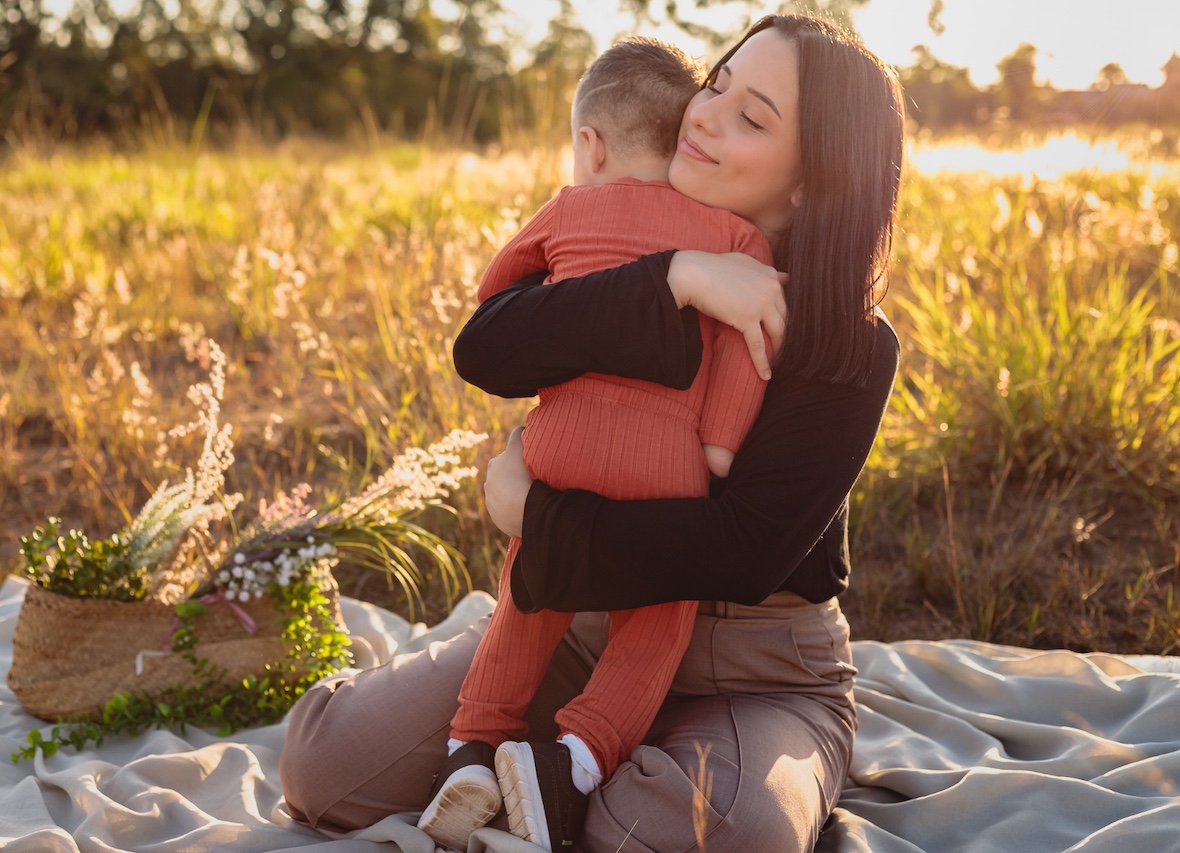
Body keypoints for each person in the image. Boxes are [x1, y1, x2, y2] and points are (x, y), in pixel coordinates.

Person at [280, 13, 905, 852]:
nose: (705, 115)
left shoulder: (849, 341)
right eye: (716, 84)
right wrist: (678, 277)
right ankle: (554, 745)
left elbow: (741, 548)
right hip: (583, 623)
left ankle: (601, 770)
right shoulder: (619, 239)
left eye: (753, 117)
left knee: (694, 834)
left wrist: (535, 517)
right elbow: (489, 346)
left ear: (809, 184)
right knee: (325, 770)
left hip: (755, 673)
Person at [416, 36, 776, 853]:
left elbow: (497, 292)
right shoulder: (734, 239)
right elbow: (742, 358)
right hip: (665, 461)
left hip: (558, 444)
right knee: (658, 613)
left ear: (590, 144)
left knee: (529, 588)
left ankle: (470, 747)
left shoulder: (566, 207)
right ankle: (573, 759)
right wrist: (715, 453)